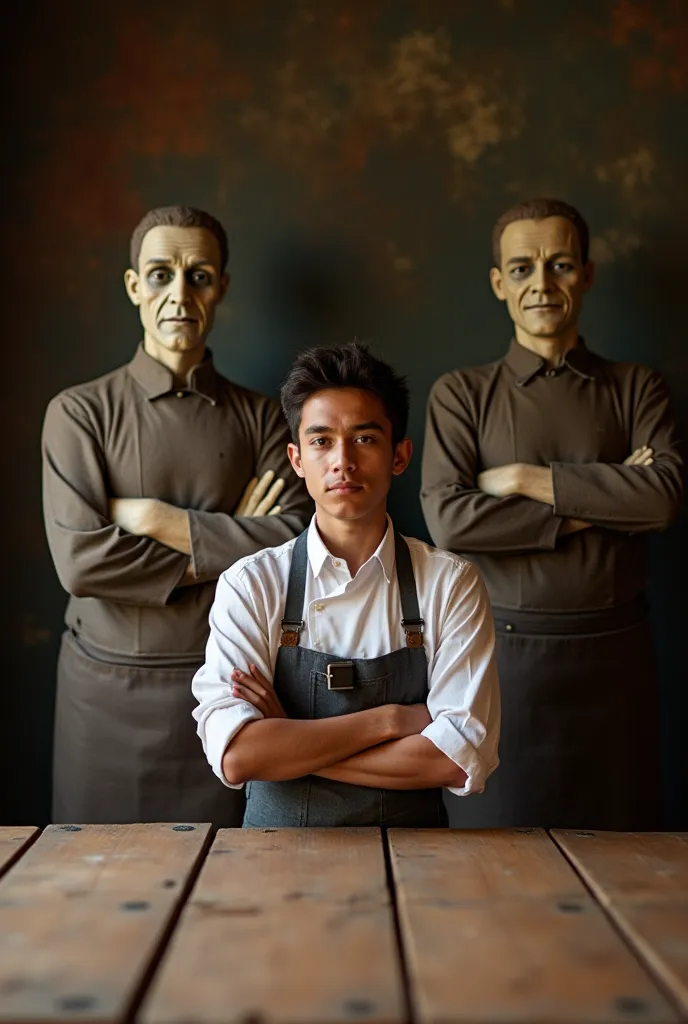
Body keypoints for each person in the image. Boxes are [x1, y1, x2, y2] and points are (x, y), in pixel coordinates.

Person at [42, 205, 311, 826]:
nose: (179, 294)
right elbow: (82, 563)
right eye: (160, 275)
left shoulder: (265, 417)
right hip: (102, 692)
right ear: (134, 286)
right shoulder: (78, 414)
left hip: (224, 684)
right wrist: (228, 538)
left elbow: (291, 546)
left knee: (220, 887)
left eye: (199, 275)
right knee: (95, 881)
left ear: (221, 287)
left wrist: (158, 519)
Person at [421, 197, 683, 830]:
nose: (541, 284)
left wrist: (520, 481)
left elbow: (664, 498)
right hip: (501, 665)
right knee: (497, 865)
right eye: (522, 268)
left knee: (628, 861)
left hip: (617, 660)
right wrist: (607, 499)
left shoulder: (637, 387)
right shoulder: (460, 393)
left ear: (586, 274)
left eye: (560, 264)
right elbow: (451, 522)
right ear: (498, 283)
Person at [192, 342, 500, 828]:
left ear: (400, 455)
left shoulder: (450, 584)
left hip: (417, 869)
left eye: (364, 439)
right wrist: (392, 722)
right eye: (320, 441)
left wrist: (289, 739)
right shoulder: (251, 585)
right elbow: (237, 756)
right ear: (295, 458)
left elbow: (455, 758)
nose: (342, 461)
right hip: (270, 868)